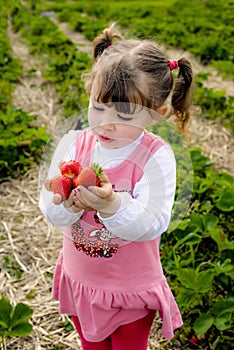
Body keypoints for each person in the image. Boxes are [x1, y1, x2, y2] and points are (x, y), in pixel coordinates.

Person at [39, 24, 194, 350]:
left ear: (158, 112)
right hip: (80, 278)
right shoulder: (73, 144)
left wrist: (112, 205)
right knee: (90, 345)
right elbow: (50, 207)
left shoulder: (156, 157)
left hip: (129, 289)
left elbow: (154, 221)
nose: (106, 122)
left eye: (124, 113)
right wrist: (64, 203)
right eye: (98, 107)